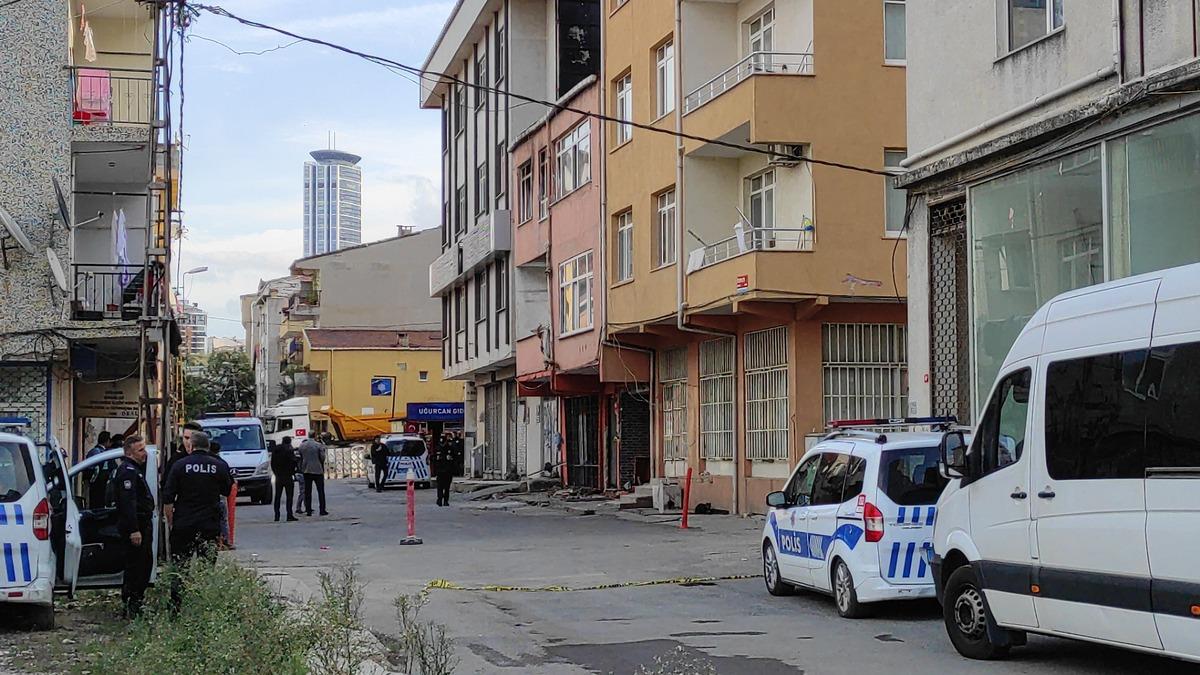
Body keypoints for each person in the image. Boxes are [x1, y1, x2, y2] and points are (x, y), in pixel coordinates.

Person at [162, 430, 233, 564]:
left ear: (191, 446)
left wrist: (172, 521)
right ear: (208, 446)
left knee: (180, 566)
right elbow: (227, 490)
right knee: (206, 566)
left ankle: (180, 585)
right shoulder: (219, 465)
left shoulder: (179, 465)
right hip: (209, 523)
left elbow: (168, 498)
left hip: (184, 522)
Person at [113, 435, 154, 617]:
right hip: (136, 526)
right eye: (140, 450)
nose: (144, 453)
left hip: (142, 523)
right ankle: (132, 606)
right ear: (129, 452)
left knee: (143, 566)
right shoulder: (127, 472)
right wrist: (134, 530)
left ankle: (136, 602)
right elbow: (128, 504)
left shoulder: (134, 469)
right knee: (136, 568)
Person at [298, 434, 328, 516]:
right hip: (318, 470)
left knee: (307, 492)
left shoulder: (302, 445)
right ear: (315, 436)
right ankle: (322, 510)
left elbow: (300, 457)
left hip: (306, 470)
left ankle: (308, 510)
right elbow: (322, 457)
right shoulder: (318, 445)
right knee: (321, 491)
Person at [271, 436, 299, 521]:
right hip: (288, 476)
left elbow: (272, 463)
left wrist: (276, 473)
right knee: (289, 497)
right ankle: (289, 515)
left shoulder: (276, 450)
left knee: (277, 497)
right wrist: (294, 471)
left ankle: (277, 515)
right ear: (289, 442)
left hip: (279, 476)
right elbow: (293, 462)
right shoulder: (289, 450)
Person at [433, 437, 455, 507]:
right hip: (440, 471)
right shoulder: (437, 448)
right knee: (440, 487)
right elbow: (433, 458)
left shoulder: (450, 449)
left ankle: (445, 501)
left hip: (448, 471)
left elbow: (455, 459)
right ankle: (440, 500)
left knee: (446, 487)